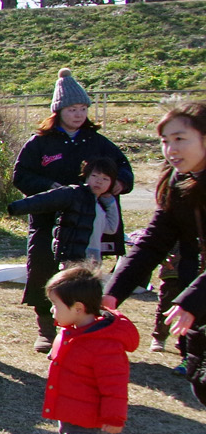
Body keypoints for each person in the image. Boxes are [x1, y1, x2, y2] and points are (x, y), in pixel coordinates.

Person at [103, 101, 206, 434]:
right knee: (200, 378)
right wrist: (112, 293)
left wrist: (191, 302)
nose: (170, 149)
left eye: (180, 138)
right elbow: (150, 244)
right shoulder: (180, 185)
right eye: (165, 141)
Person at [11, 69, 133, 351]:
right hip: (47, 220)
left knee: (82, 274)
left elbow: (124, 169)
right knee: (42, 268)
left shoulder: (96, 142)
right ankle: (45, 327)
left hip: (86, 223)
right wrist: (49, 186)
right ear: (58, 111)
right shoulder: (40, 142)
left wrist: (118, 183)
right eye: (72, 109)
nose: (78, 114)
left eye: (82, 109)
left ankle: (84, 328)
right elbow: (21, 176)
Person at [34, 263, 135, 434]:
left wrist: (114, 417)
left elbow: (114, 385)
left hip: (89, 416)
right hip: (68, 409)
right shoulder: (70, 331)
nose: (53, 311)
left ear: (78, 308)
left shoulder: (104, 345)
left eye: (56, 305)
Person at [8, 159, 125, 268]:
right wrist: (16, 208)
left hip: (93, 257)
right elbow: (46, 200)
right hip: (73, 257)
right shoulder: (74, 194)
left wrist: (110, 202)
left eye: (105, 179)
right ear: (86, 176)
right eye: (95, 176)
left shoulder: (99, 205)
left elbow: (110, 228)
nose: (99, 181)